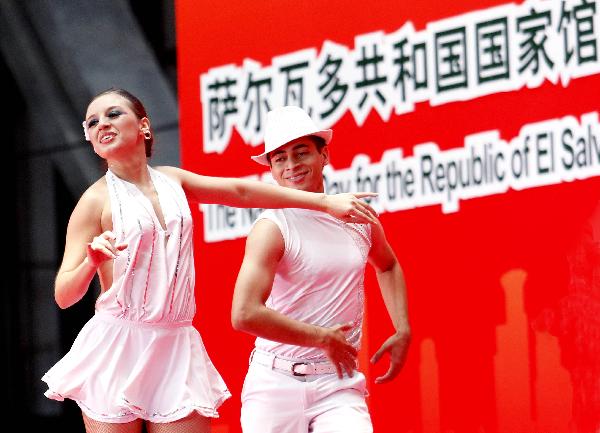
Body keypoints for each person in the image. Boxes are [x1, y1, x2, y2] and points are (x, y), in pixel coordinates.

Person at [41, 89, 379, 433]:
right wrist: (90, 261)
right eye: (93, 122)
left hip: (175, 340)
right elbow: (64, 296)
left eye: (113, 114)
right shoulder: (94, 200)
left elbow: (240, 192)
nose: (102, 124)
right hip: (117, 342)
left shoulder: (172, 180)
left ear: (144, 126)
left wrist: (323, 203)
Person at [231, 105, 411, 433]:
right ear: (271, 169)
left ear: (324, 155)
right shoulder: (272, 227)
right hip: (275, 384)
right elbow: (244, 314)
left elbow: (387, 264)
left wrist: (402, 329)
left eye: (301, 153)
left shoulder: (358, 217)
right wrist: (321, 338)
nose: (292, 165)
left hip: (338, 383)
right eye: (280, 158)